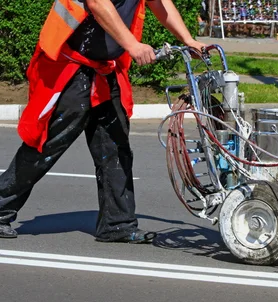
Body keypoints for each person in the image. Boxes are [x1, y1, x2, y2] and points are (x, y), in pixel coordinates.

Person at [0, 0, 207, 242]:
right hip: (71, 67)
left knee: (115, 146)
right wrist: (132, 45)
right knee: (48, 145)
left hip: (103, 69)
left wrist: (188, 40)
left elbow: (161, 4)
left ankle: (117, 223)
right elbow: (97, 2)